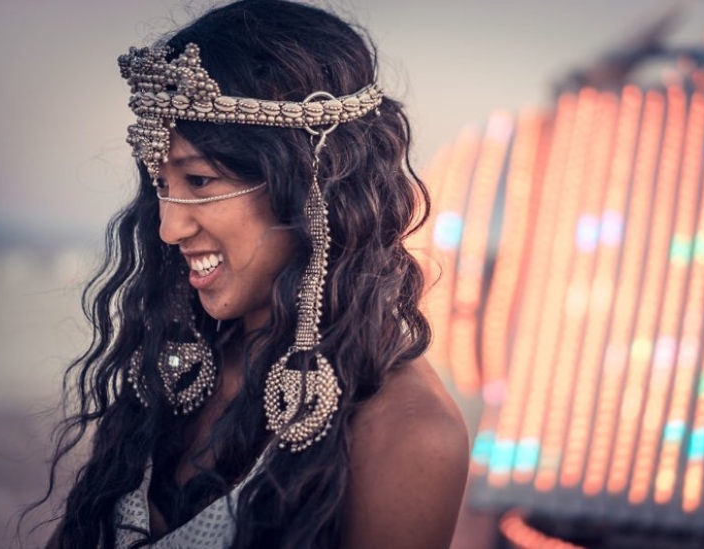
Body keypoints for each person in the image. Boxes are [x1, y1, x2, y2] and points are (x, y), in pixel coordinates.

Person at [39, 1, 469, 547]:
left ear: (313, 184)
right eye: (161, 185)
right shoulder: (178, 368)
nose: (169, 227)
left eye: (198, 181)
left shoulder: (407, 435)